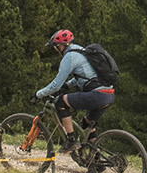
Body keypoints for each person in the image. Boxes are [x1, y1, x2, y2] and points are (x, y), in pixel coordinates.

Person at [32, 29, 114, 162]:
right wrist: (67, 85)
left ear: (61, 45)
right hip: (108, 94)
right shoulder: (81, 51)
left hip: (97, 94)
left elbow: (55, 85)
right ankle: (96, 161)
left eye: (56, 47)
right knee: (87, 123)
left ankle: (71, 140)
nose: (57, 50)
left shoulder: (69, 57)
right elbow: (85, 76)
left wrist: (38, 94)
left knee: (60, 102)